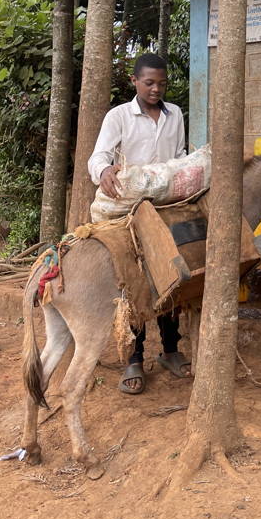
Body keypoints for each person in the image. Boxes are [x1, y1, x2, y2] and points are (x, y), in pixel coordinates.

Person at [88, 52, 189, 393]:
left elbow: (178, 159)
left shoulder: (175, 115)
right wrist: (103, 171)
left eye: (161, 83)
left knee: (170, 276)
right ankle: (133, 358)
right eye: (149, 83)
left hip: (165, 207)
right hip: (129, 211)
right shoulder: (119, 116)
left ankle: (171, 350)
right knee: (134, 282)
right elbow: (99, 155)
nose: (155, 89)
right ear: (134, 81)